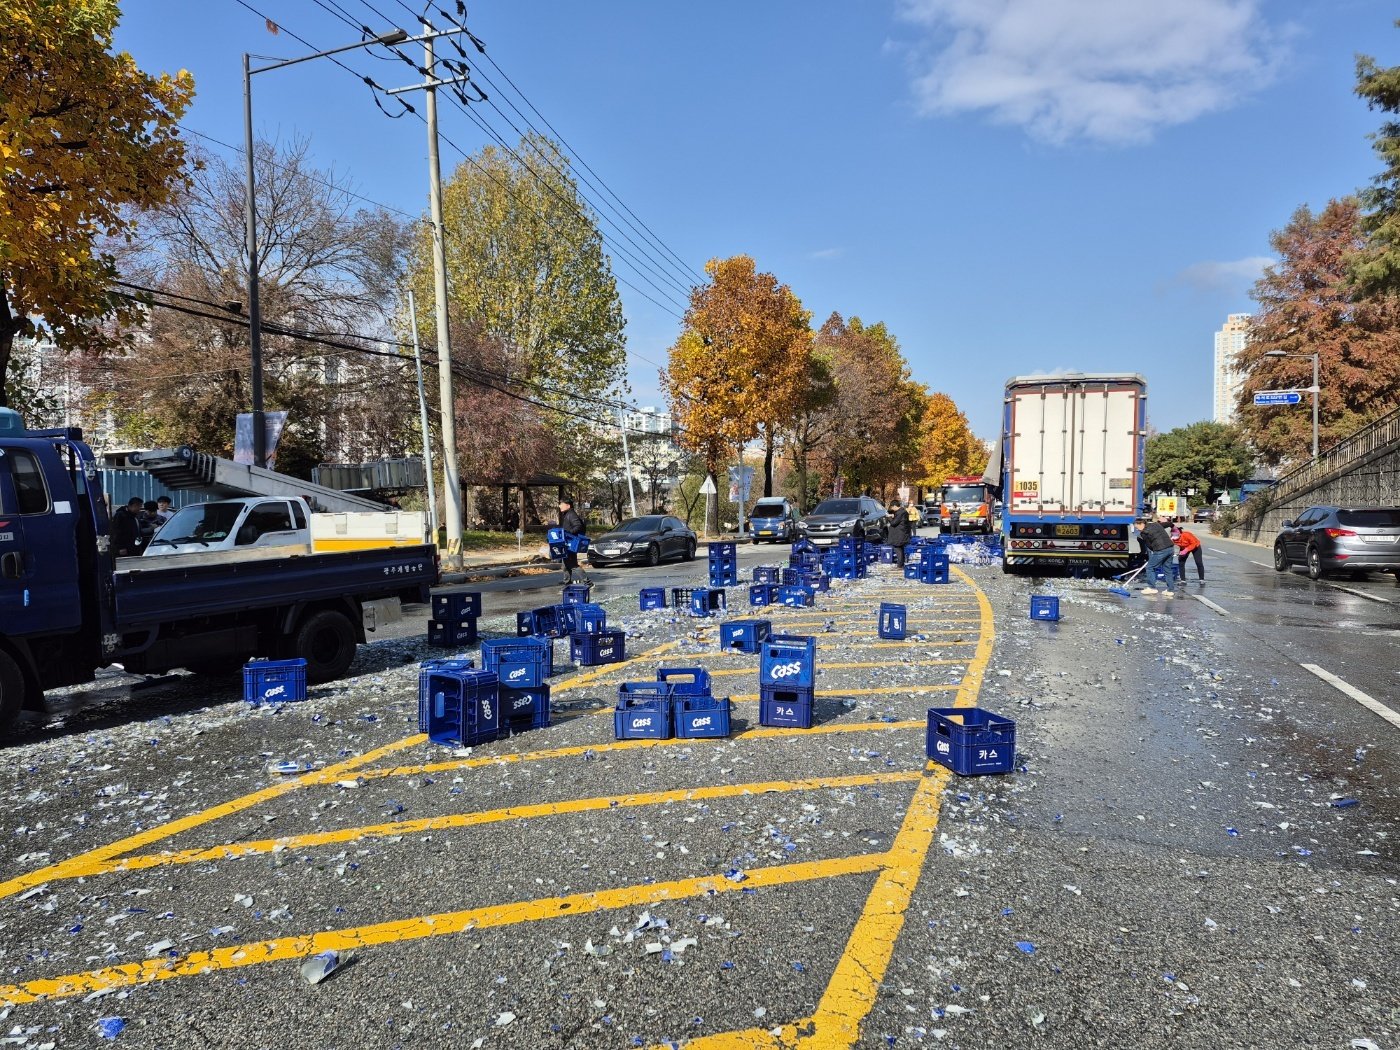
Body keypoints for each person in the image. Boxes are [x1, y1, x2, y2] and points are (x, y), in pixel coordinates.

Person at [1134, 515, 1177, 594]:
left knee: (1150, 567)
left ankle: (1152, 588)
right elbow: (1169, 523)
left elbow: (1149, 546)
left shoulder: (1144, 533)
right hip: (1170, 548)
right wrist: (1174, 528)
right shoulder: (1156, 524)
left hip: (1161, 550)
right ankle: (1170, 590)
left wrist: (1153, 555)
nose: (1137, 529)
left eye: (1137, 527)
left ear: (1141, 524)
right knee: (1167, 569)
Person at [558, 497, 591, 585]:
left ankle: (588, 582)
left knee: (572, 564)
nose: (559, 506)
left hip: (571, 543)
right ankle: (567, 582)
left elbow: (578, 526)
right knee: (565, 564)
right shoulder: (567, 514)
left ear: (568, 505)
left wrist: (569, 533)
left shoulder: (571, 514)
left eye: (561, 504)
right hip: (568, 543)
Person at [886, 499, 912, 566]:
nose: (892, 509)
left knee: (897, 548)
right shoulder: (902, 512)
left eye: (892, 507)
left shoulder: (900, 512)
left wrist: (889, 517)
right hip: (902, 533)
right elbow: (899, 519)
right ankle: (901, 562)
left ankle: (900, 564)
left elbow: (894, 523)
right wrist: (893, 516)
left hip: (899, 534)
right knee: (900, 548)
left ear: (895, 506)